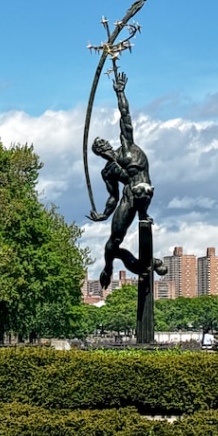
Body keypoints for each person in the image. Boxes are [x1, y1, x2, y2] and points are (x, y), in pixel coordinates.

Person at [89, 71, 167, 288]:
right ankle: (135, 266)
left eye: (103, 142)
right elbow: (113, 197)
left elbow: (125, 116)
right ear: (98, 152)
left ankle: (144, 215)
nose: (103, 144)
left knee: (140, 190)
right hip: (127, 197)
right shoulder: (107, 172)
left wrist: (120, 93)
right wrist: (103, 215)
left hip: (142, 189)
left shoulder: (127, 147)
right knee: (111, 246)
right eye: (99, 146)